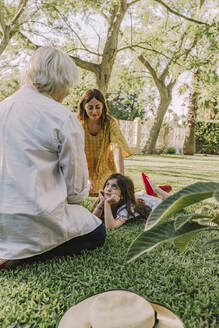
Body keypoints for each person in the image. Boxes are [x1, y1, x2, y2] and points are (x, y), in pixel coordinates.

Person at [0, 47, 105, 270]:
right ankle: (21, 255)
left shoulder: (3, 108)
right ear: (61, 81)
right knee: (98, 231)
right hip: (32, 221)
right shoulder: (62, 117)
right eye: (68, 86)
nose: (67, 92)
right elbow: (76, 194)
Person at [77, 89, 132, 195]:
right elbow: (76, 154)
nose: (94, 112)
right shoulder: (78, 124)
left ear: (103, 106)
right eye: (90, 108)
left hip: (104, 169)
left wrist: (121, 177)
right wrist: (87, 178)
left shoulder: (109, 123)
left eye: (98, 107)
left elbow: (117, 148)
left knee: (110, 191)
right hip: (82, 169)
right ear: (84, 107)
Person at [92, 173, 170, 230]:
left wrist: (107, 203)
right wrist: (102, 202)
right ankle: (150, 192)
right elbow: (92, 219)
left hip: (154, 204)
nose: (108, 189)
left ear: (122, 195)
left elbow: (110, 226)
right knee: (140, 195)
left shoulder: (126, 208)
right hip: (140, 198)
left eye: (114, 187)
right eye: (107, 185)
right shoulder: (119, 198)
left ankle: (157, 190)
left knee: (171, 201)